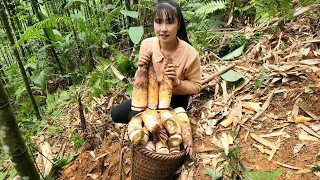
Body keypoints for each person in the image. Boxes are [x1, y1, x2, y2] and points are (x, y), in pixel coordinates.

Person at [111, 0, 201, 124]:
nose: (163, 29)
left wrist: (177, 82)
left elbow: (196, 87)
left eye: (169, 22)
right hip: (149, 94)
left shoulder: (190, 54)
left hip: (174, 98)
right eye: (159, 22)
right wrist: (142, 68)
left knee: (137, 117)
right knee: (116, 114)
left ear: (178, 24)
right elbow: (140, 80)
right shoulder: (146, 45)